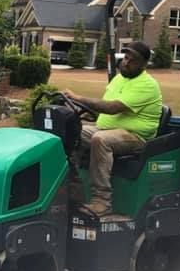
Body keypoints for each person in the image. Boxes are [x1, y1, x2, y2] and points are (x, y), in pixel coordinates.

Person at [64, 40, 162, 216]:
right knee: (70, 131)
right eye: (126, 57)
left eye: (133, 60)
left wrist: (77, 97)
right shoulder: (119, 79)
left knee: (100, 140)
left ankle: (102, 202)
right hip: (105, 128)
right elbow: (101, 109)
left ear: (144, 64)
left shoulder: (147, 84)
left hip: (136, 137)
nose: (127, 62)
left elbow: (111, 108)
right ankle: (71, 189)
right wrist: (77, 114)